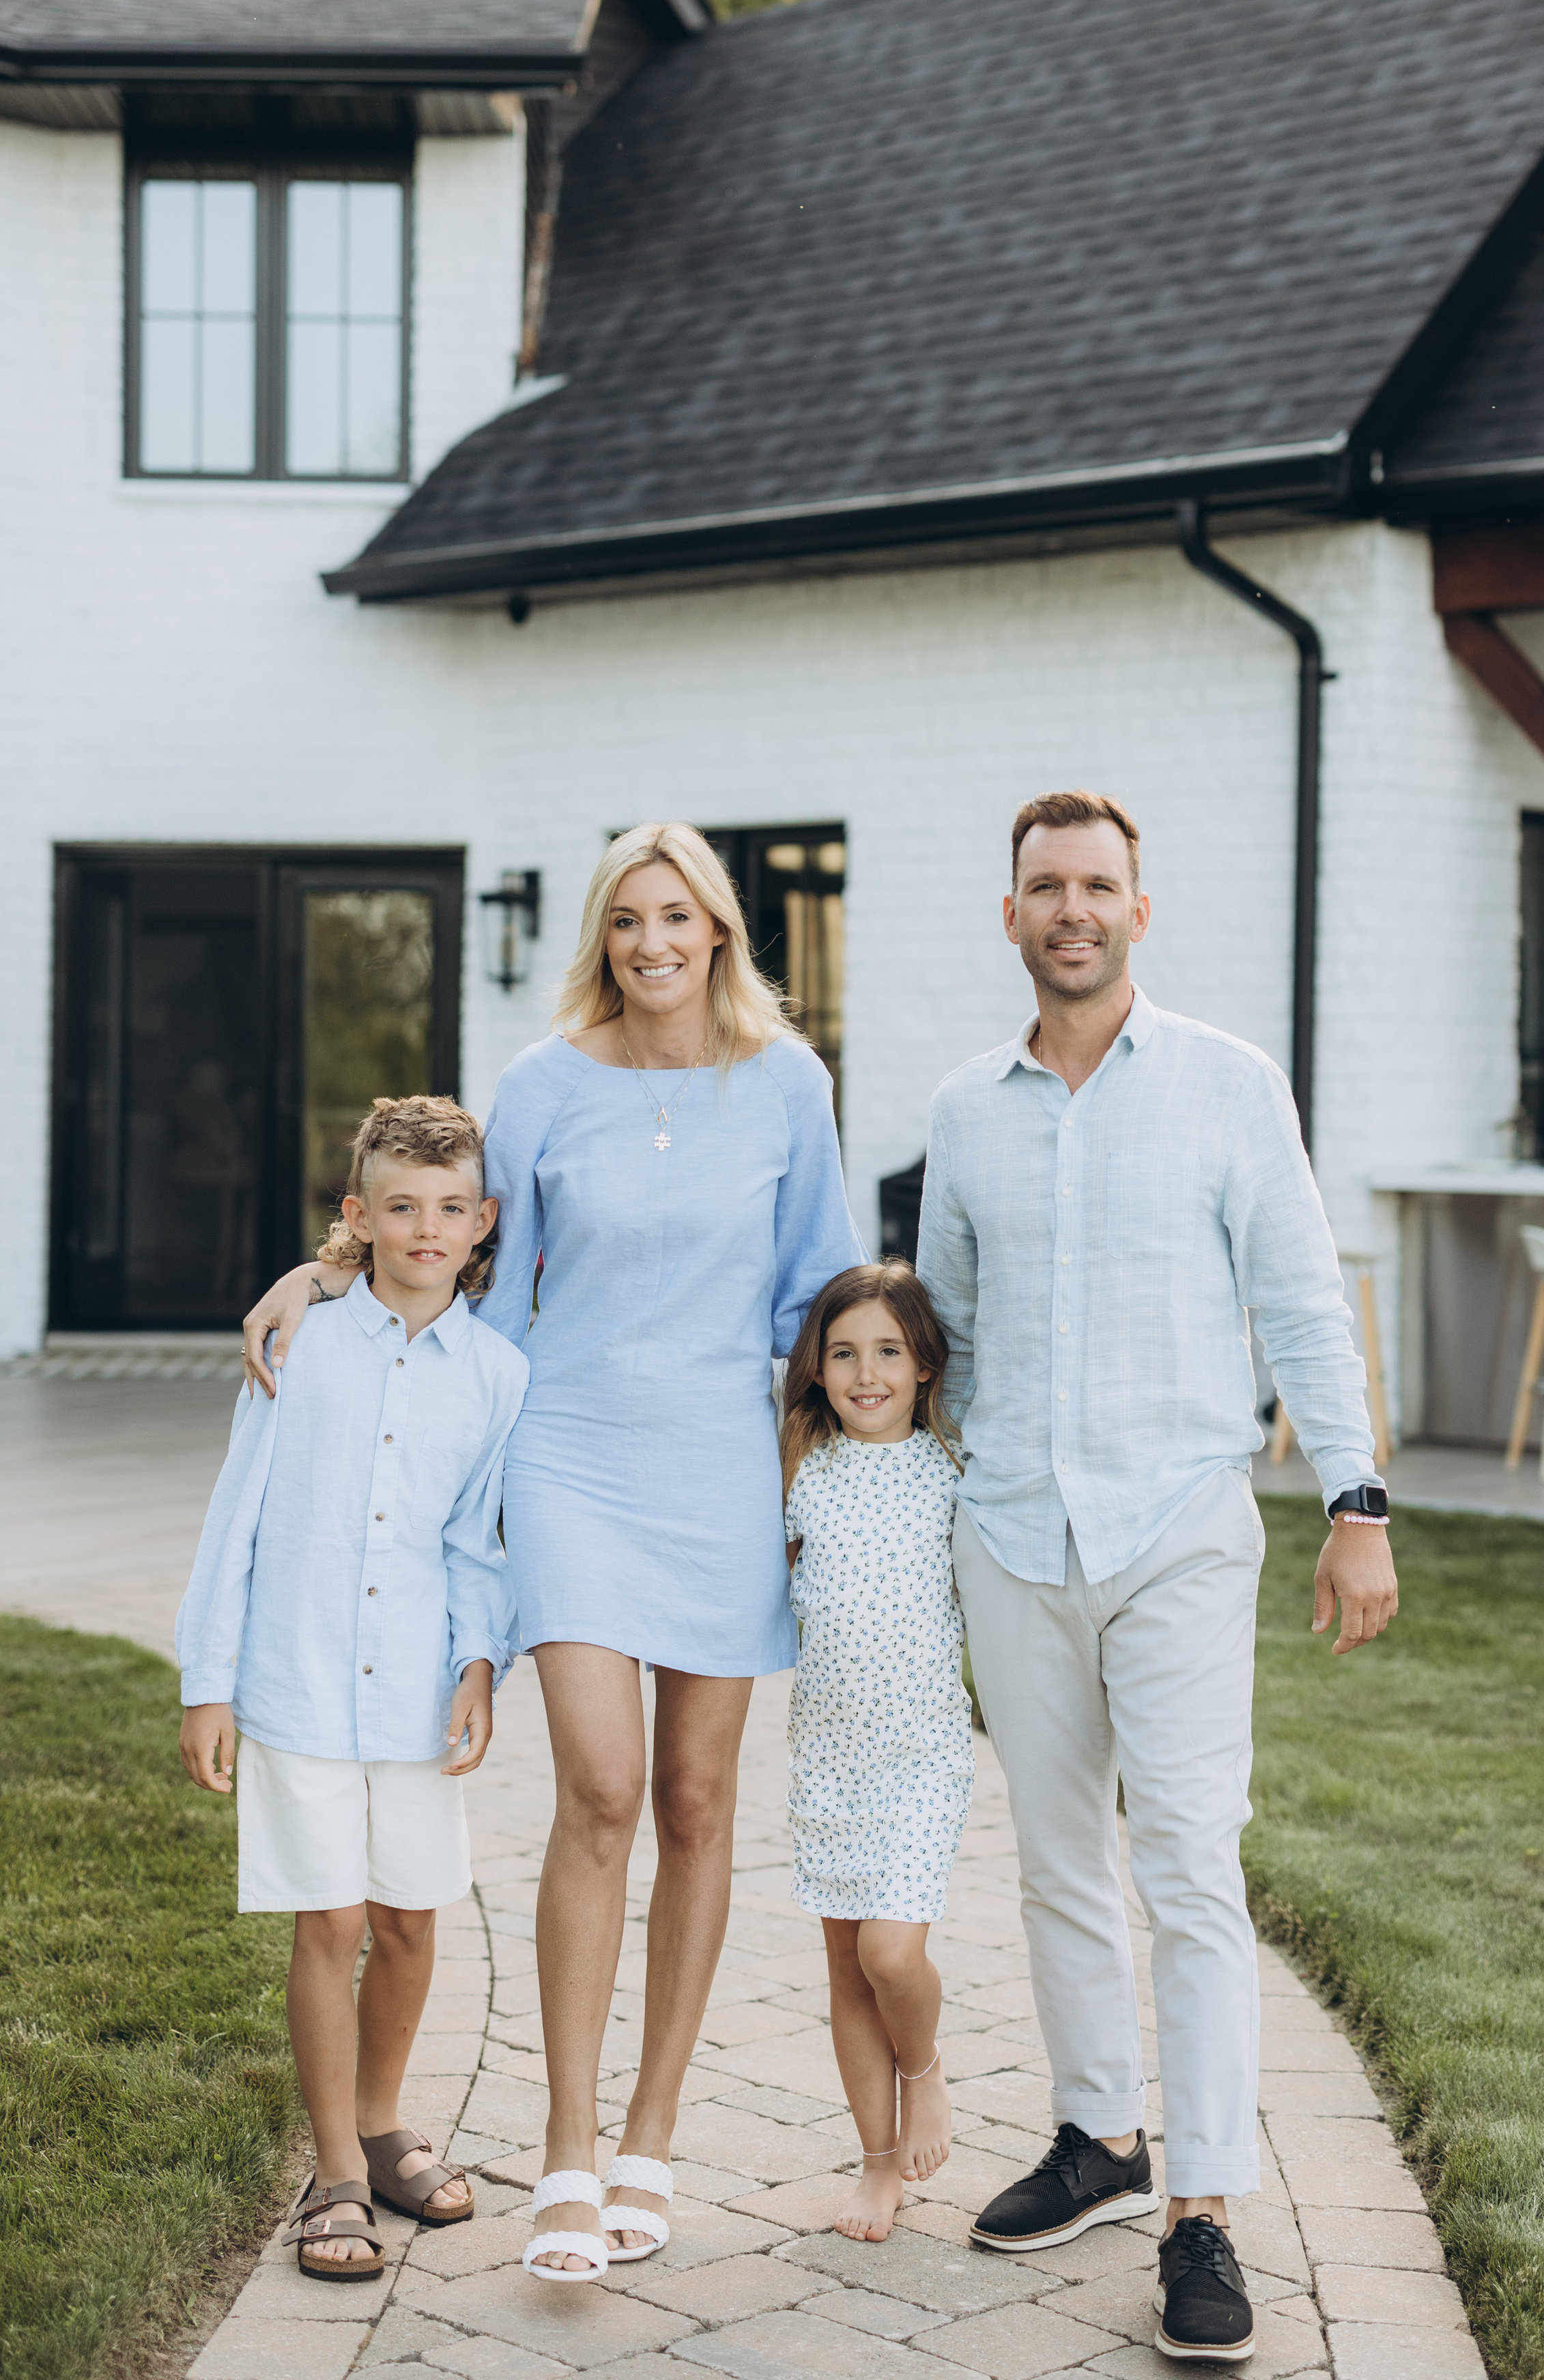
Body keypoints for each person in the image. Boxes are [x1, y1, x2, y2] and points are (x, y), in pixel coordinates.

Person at [242, 824, 863, 2285]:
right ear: (604, 936)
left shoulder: (789, 1083)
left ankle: (650, 2139)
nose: (654, 943)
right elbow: (456, 1238)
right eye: (629, 919)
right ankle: (568, 2151)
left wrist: (842, 1463)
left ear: (720, 930)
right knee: (601, 1789)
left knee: (698, 1803)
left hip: (723, 1468)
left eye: (679, 917)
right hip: (568, 1453)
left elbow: (817, 1290)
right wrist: (324, 1270)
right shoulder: (540, 1082)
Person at [917, 790, 1398, 2367]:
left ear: (1138, 908)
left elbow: (1301, 1301)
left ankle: (1202, 2210)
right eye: (1043, 887)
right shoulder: (964, 1111)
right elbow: (945, 1337)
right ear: (1009, 915)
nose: (1071, 908)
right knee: (1055, 1858)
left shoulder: (1224, 1083)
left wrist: (1355, 1502)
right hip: (1010, 1530)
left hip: (1178, 1523)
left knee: (1188, 1863)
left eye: (1096, 885)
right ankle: (1097, 2141)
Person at [180, 1097, 523, 2281]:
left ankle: (381, 2123)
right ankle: (333, 2172)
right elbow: (237, 1513)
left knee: (412, 1919)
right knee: (328, 1922)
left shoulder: (498, 1373)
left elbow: (478, 1539)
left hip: (417, 1689)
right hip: (297, 1678)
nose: (426, 1230)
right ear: (358, 1216)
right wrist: (208, 1681)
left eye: (449, 1209)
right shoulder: (301, 1343)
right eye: (401, 1207)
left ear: (482, 1222)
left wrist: (480, 1663)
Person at [780, 1259, 973, 2243]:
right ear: (816, 1368)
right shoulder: (799, 1470)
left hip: (922, 1756)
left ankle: (924, 2070)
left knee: (890, 1955)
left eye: (889, 1352)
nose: (867, 1374)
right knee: (847, 1970)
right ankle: (877, 2162)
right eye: (845, 1353)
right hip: (828, 1760)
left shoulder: (952, 1471)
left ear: (925, 1365)